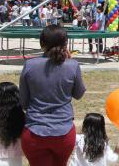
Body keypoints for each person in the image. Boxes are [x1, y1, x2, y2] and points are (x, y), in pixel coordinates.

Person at [19, 25, 86, 165]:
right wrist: (71, 63)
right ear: (65, 44)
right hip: (64, 132)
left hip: (34, 132)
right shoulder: (72, 65)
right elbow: (79, 94)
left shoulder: (30, 65)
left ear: (42, 43)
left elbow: (24, 102)